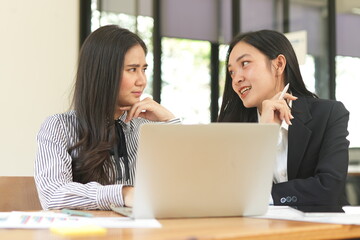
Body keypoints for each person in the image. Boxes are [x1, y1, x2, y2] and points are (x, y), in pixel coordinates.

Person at [35, 25, 180, 210]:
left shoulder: (147, 127)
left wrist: (170, 122)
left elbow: (190, 185)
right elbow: (52, 195)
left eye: (144, 69)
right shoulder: (58, 127)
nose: (142, 80)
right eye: (132, 69)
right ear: (104, 73)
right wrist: (124, 193)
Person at [218, 29, 350, 206]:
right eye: (232, 72)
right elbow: (224, 190)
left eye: (245, 63)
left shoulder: (328, 114)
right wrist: (262, 135)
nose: (236, 79)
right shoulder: (233, 125)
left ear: (279, 64)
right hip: (256, 231)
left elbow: (329, 188)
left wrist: (263, 197)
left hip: (322, 230)